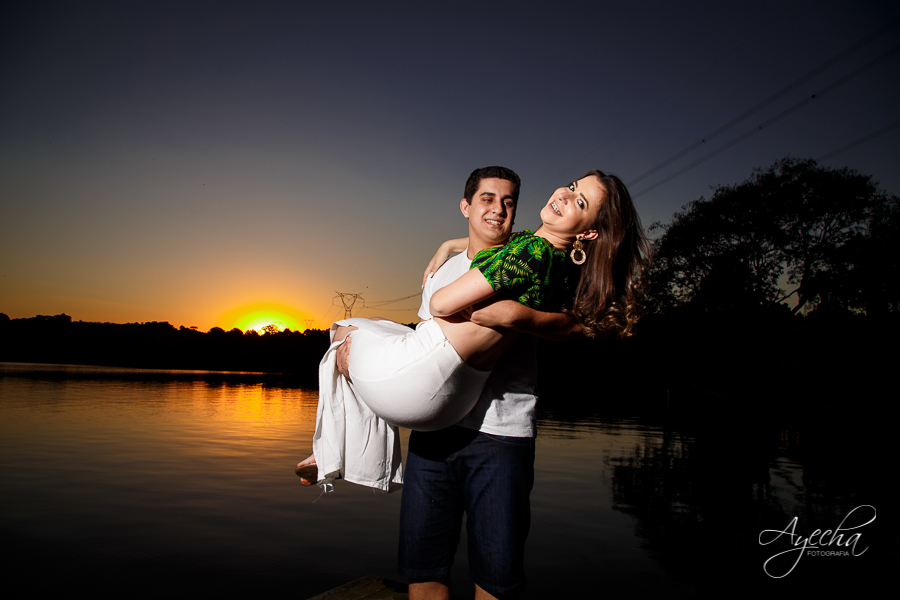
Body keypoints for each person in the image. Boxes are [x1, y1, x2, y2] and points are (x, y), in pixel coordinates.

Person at [300, 166, 650, 599]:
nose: (498, 210)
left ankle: (333, 448)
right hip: (437, 430)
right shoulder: (461, 262)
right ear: (466, 206)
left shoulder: (535, 255)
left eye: (508, 203)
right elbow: (427, 336)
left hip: (499, 433)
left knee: (496, 579)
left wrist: (524, 318)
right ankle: (333, 448)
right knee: (424, 569)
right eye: (487, 199)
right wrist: (449, 245)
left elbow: (588, 325)